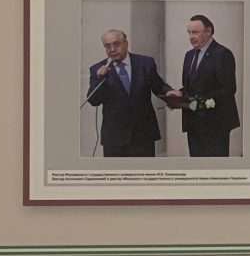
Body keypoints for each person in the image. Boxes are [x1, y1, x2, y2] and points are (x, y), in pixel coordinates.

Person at [87, 28, 174, 158]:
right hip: (114, 136)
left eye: (116, 44)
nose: (112, 49)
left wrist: (169, 92)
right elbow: (93, 101)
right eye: (107, 46)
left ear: (126, 44)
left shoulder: (145, 63)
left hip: (143, 133)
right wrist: (99, 78)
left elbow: (159, 85)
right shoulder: (97, 69)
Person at [179, 14, 241, 157]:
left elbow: (228, 89)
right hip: (193, 123)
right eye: (189, 32)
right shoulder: (189, 55)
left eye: (195, 32)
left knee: (215, 166)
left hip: (215, 124)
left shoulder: (222, 54)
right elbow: (190, 86)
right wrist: (179, 95)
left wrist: (197, 102)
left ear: (208, 31)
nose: (191, 37)